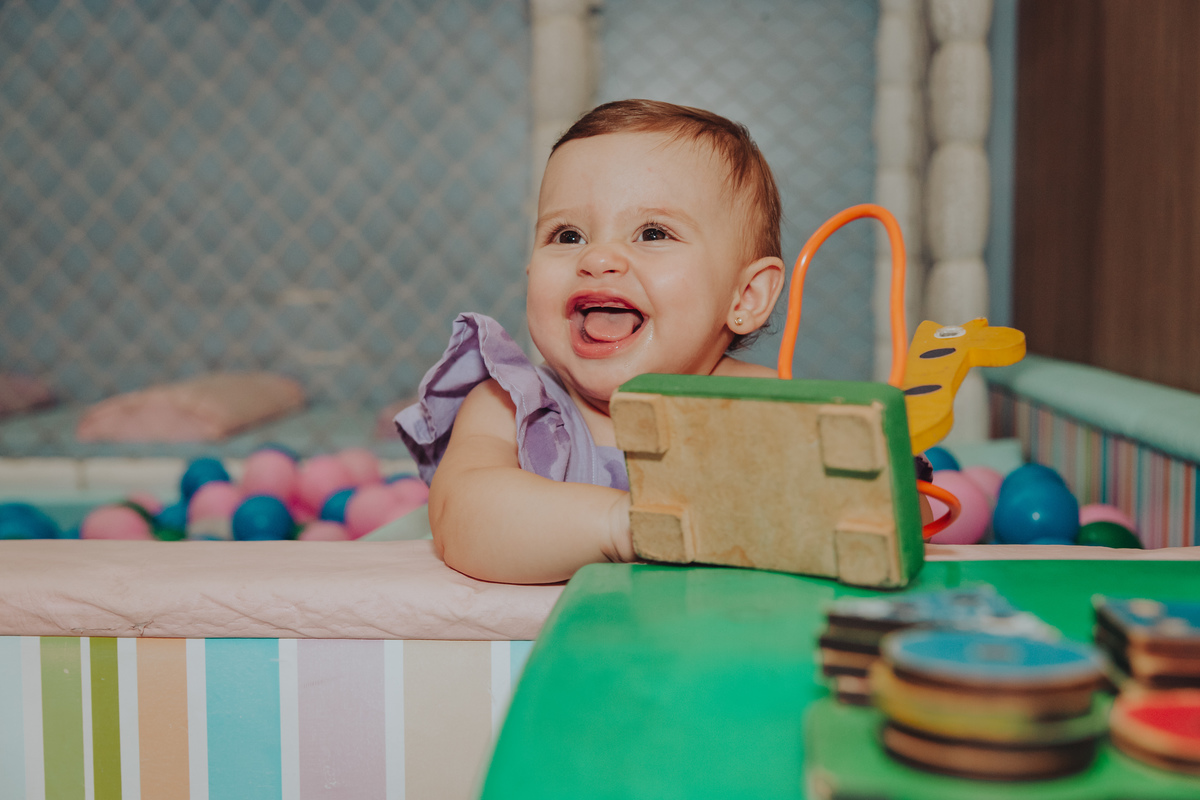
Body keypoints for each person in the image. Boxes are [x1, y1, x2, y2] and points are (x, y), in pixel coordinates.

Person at [397, 99, 788, 583]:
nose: (598, 258)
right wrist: (625, 526)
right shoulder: (513, 410)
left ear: (745, 295)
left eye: (652, 233)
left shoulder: (769, 409)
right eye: (568, 236)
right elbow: (462, 519)